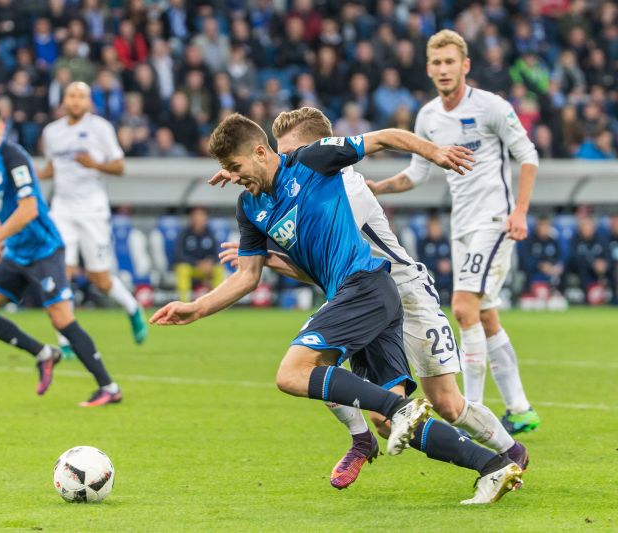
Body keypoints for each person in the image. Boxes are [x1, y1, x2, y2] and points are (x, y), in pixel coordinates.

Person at [153, 113, 523, 505]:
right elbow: (247, 275)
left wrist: (435, 153)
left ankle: (385, 424)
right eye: (226, 168)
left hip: (370, 286)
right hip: (361, 294)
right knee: (383, 421)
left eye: (234, 166)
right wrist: (198, 308)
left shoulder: (314, 163)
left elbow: (382, 137)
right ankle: (492, 466)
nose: (232, 175)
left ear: (261, 153)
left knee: (295, 374)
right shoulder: (250, 206)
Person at [367, 30, 542, 435]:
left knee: (463, 309)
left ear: (465, 66)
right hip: (461, 225)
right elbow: (418, 173)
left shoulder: (491, 106)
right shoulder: (428, 116)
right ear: (429, 69)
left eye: (450, 62)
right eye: (437, 63)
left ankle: (471, 412)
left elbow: (528, 155)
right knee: (485, 315)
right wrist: (380, 187)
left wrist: (520, 211)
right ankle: (520, 408)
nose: (444, 69)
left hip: (494, 220)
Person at [0, 97, 121, 407]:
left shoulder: (15, 157)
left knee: (61, 318)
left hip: (43, 248)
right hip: (16, 251)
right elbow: (3, 207)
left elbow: (29, 209)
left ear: (0, 127)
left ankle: (109, 387)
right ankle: (43, 353)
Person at [39, 82, 147, 356]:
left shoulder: (101, 128)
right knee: (60, 274)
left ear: (89, 102)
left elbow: (120, 166)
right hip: (61, 209)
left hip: (92, 210)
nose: (76, 101)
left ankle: (132, 307)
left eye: (81, 97)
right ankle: (65, 340)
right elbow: (54, 167)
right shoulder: (52, 132)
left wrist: (95, 165)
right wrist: (31, 176)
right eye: (71, 96)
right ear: (64, 101)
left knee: (100, 279)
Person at [174, 206, 223, 302]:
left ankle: (219, 302)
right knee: (182, 269)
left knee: (219, 269)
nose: (198, 218)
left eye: (201, 215)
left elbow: (217, 253)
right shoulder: (184, 234)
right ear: (191, 218)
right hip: (192, 268)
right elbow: (179, 255)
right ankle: (184, 303)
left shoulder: (210, 233)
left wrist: (210, 262)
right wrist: (197, 263)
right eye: (196, 215)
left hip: (207, 268)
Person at [518, 216, 563, 294]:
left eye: (547, 226)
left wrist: (558, 266)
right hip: (533, 276)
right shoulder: (529, 242)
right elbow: (524, 261)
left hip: (551, 276)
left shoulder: (553, 242)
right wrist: (540, 265)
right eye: (542, 225)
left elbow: (560, 258)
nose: (544, 228)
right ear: (537, 226)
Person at [418, 214, 453, 303]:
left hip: (447, 272)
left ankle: (452, 301)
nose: (434, 230)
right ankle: (434, 302)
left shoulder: (445, 241)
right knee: (429, 275)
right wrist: (437, 265)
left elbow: (451, 256)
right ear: (427, 229)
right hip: (433, 272)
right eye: (432, 228)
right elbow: (421, 260)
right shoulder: (423, 243)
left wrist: (449, 264)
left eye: (436, 227)